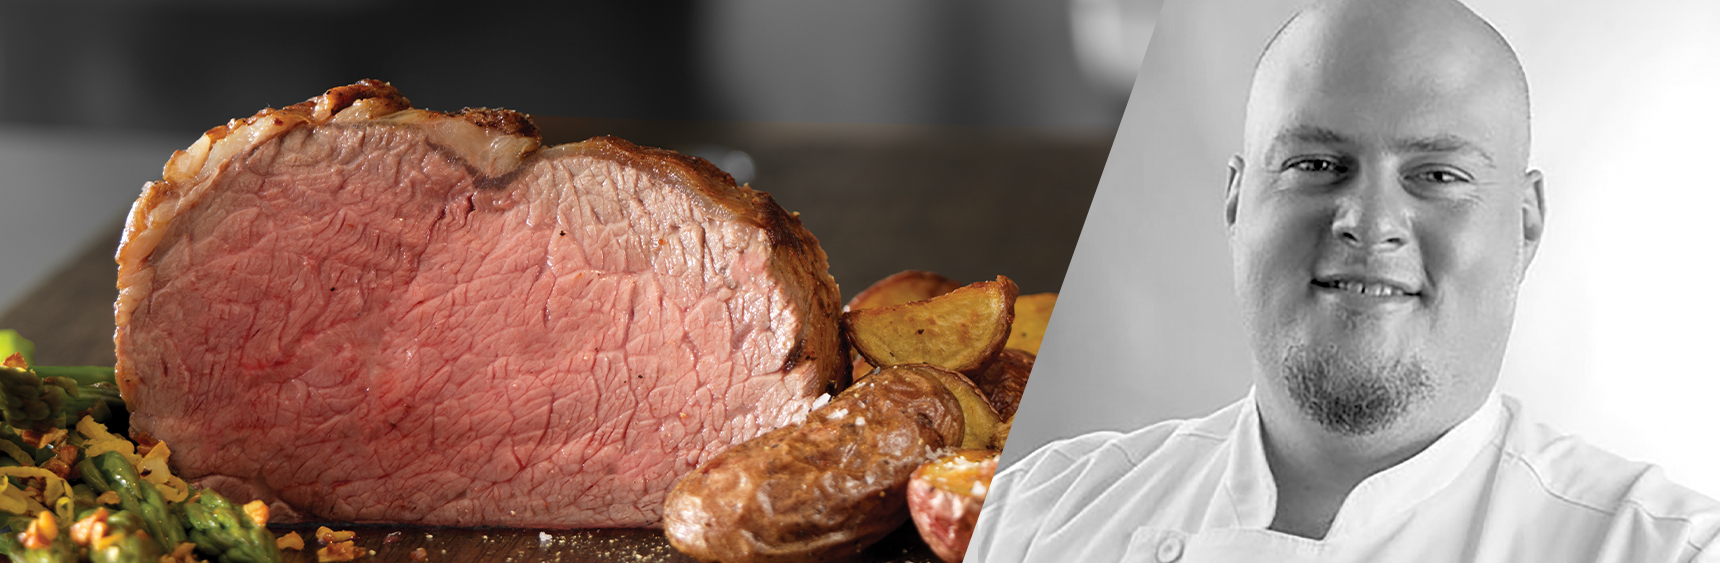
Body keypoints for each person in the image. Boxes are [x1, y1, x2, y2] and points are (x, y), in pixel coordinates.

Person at [968, 0, 1720, 561]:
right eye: (1317, 165)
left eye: (1437, 174)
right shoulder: (1031, 515)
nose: (1368, 219)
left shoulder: (1665, 545)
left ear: (1525, 223)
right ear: (1236, 200)